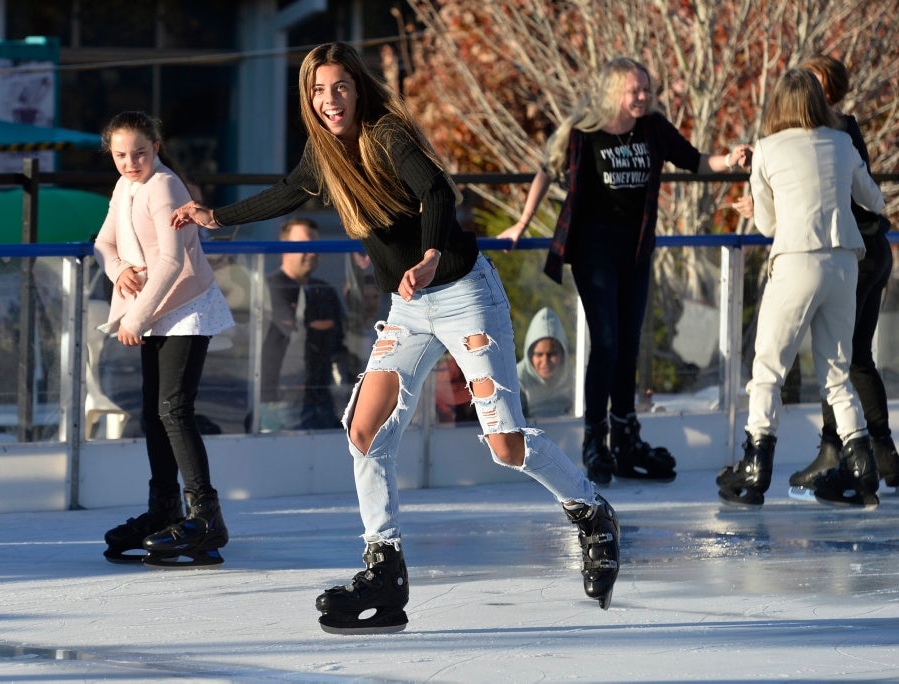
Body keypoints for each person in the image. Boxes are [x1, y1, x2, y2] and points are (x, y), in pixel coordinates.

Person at [171, 42, 620, 632]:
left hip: (462, 294)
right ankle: (385, 567)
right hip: (408, 307)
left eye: (340, 87)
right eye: (318, 90)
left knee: (505, 445)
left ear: (358, 88)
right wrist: (218, 217)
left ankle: (590, 511)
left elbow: (437, 192)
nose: (330, 100)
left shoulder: (386, 135)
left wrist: (432, 256)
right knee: (364, 430)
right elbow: (289, 191)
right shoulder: (324, 152)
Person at [499, 57, 751, 485]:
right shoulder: (584, 132)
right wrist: (523, 222)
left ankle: (626, 435)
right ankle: (595, 438)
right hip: (594, 253)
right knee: (608, 343)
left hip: (636, 253)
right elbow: (546, 168)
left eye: (646, 90)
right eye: (634, 91)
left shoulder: (653, 129)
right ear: (614, 90)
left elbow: (696, 161)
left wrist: (731, 158)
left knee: (630, 344)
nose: (642, 98)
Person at [716, 69, 885, 508]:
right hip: (844, 260)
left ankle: (755, 469)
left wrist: (757, 207)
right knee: (837, 372)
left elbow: (770, 224)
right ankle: (863, 470)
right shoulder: (842, 143)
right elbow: (874, 199)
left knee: (768, 370)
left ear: (778, 106)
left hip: (795, 261)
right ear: (818, 101)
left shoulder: (768, 151)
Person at [95, 111, 235, 567]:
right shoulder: (125, 186)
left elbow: (174, 262)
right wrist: (120, 273)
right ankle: (164, 511)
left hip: (185, 308)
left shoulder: (165, 185)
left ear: (156, 146)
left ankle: (205, 519)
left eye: (139, 152)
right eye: (120, 155)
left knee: (174, 410)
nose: (130, 161)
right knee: (154, 414)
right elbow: (104, 244)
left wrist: (135, 316)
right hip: (155, 306)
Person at [790, 54, 899, 497]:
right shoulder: (844, 129)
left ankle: (835, 451)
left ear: (828, 88)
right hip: (872, 249)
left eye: (812, 81)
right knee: (855, 356)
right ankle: (882, 451)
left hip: (855, 253)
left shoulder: (828, 133)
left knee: (835, 355)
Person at [260, 217, 344, 430]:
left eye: (316, 245)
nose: (313, 252)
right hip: (281, 398)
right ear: (285, 249)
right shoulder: (270, 286)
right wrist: (314, 326)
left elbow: (339, 337)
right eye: (305, 245)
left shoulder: (324, 289)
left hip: (321, 395)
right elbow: (296, 330)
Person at [517, 307, 574, 418]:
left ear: (563, 354)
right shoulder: (516, 380)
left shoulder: (574, 380)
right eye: (539, 354)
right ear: (529, 354)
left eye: (552, 354)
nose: (545, 361)